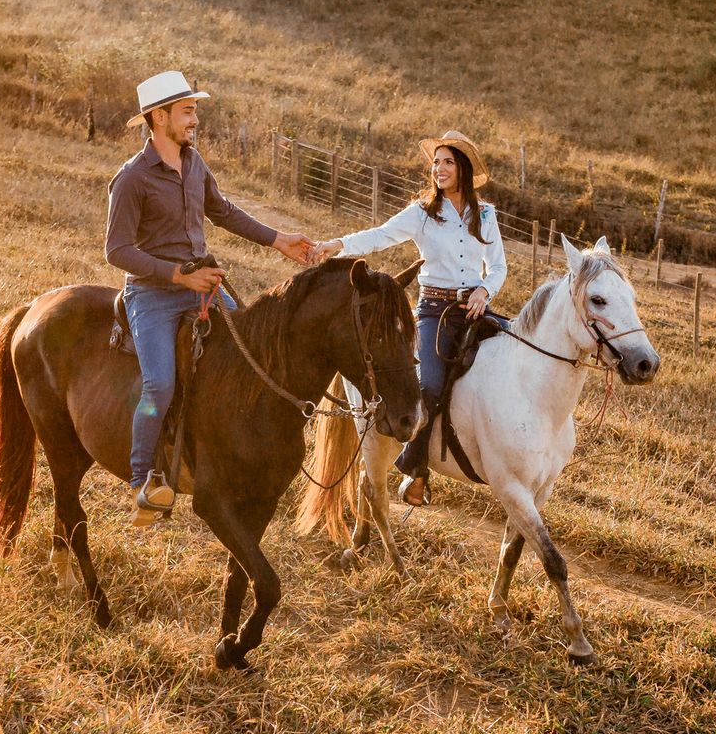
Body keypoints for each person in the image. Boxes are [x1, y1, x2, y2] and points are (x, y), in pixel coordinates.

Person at [105, 71, 316, 521]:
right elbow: (117, 250)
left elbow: (222, 211)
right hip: (154, 297)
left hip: (204, 287)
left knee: (250, 356)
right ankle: (144, 479)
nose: (195, 119)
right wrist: (179, 278)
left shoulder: (194, 163)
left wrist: (278, 239)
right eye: (187, 111)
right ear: (159, 118)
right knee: (159, 384)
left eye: (194, 110)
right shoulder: (132, 179)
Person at [317, 129, 506, 506]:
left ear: (463, 168)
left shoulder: (485, 214)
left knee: (515, 361)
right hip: (434, 311)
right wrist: (337, 245)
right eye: (435, 162)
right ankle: (415, 466)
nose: (438, 169)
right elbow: (380, 236)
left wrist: (485, 291)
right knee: (431, 386)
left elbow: (498, 266)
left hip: (474, 308)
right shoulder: (422, 213)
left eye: (447, 162)